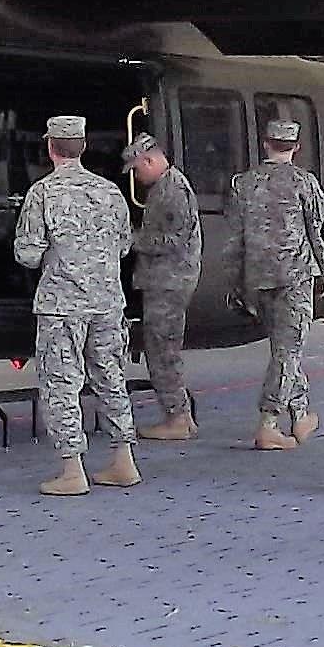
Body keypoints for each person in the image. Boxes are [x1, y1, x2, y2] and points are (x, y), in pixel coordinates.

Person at [12, 114, 139, 496]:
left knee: (62, 384)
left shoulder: (43, 193)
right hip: (108, 302)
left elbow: (27, 255)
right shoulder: (110, 192)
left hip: (62, 304)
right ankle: (123, 461)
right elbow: (125, 245)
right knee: (111, 378)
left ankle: (72, 470)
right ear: (82, 147)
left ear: (51, 148)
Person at [225, 119, 324, 451]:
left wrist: (236, 283)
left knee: (283, 349)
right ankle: (268, 423)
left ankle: (300, 413)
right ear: (296, 147)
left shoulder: (243, 184)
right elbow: (319, 231)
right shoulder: (304, 182)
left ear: (266, 144)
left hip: (259, 278)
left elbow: (234, 241)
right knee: (289, 351)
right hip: (295, 276)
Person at [125, 133, 202, 443]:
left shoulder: (172, 191)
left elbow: (175, 240)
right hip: (164, 281)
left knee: (162, 351)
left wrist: (133, 239)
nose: (136, 176)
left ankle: (176, 418)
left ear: (149, 160)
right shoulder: (164, 188)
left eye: (136, 168)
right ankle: (180, 415)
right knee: (162, 348)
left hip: (168, 283)